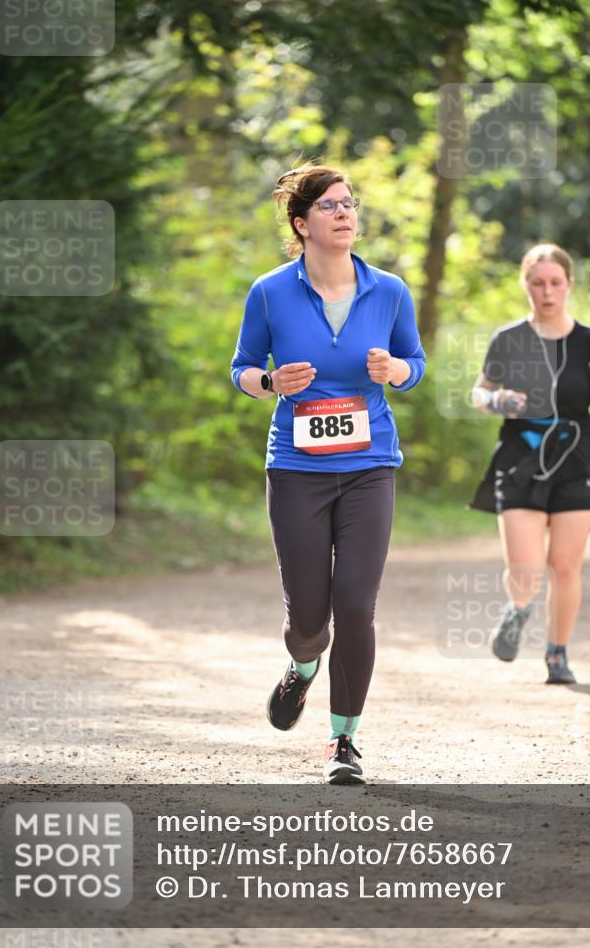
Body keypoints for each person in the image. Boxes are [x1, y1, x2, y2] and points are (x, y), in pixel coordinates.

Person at [230, 162, 425, 783]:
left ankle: (343, 742)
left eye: (350, 204)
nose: (345, 213)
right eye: (330, 206)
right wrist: (269, 382)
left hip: (370, 466)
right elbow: (241, 368)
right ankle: (303, 666)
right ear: (301, 223)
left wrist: (397, 371)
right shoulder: (269, 292)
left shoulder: (389, 290)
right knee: (309, 620)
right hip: (296, 470)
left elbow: (415, 361)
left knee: (357, 607)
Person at [470, 243, 590, 684]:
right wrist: (499, 399)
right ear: (526, 285)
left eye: (555, 283)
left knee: (566, 566)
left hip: (577, 461)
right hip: (520, 460)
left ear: (568, 285)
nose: (547, 291)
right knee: (525, 570)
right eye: (538, 283)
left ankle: (557, 654)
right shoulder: (509, 339)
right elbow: (480, 394)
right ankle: (519, 609)